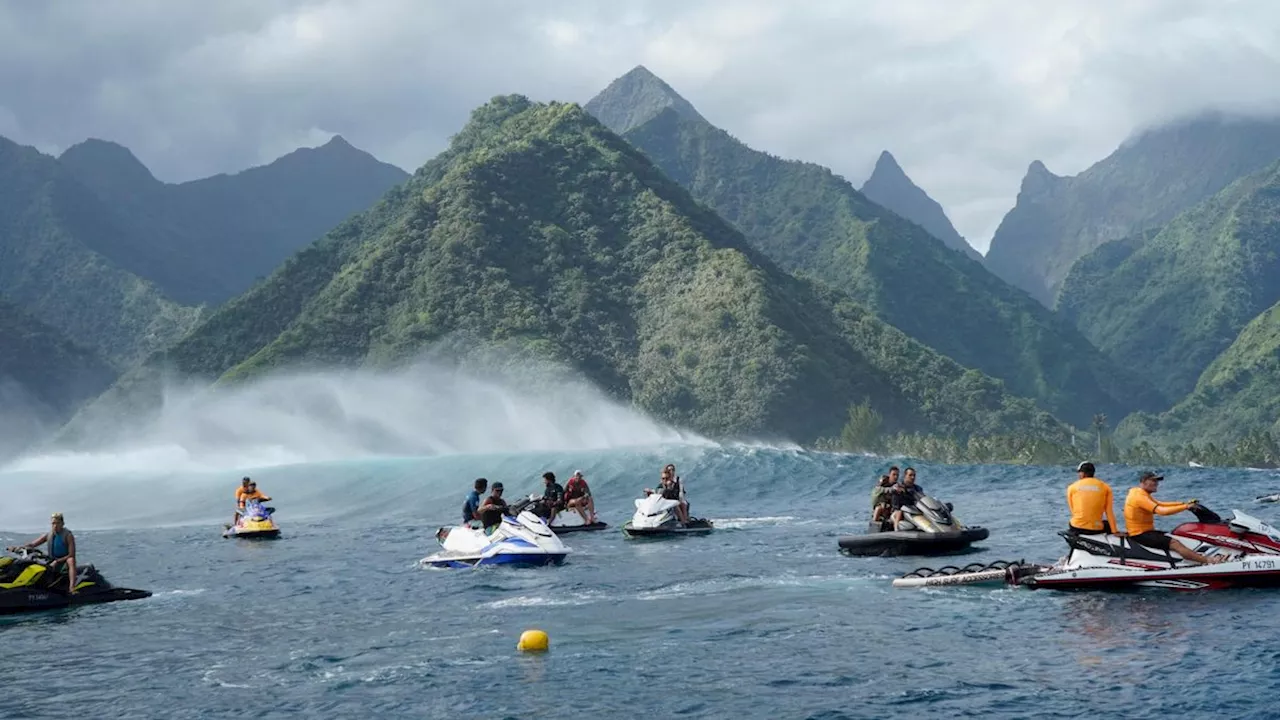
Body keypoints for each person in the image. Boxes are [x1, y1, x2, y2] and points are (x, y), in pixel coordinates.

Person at [1124, 471, 1224, 564]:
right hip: (1140, 534)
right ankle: (1208, 560)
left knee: (1177, 536)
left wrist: (1183, 504)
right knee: (1175, 543)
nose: (1157, 483)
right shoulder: (1139, 497)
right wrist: (1185, 507)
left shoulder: (1140, 493)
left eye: (1157, 481)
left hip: (1145, 531)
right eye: (1153, 480)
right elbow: (1161, 511)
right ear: (1144, 482)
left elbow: (1160, 504)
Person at [10, 512, 77, 594]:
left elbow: (71, 554)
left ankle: (72, 587)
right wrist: (18, 548)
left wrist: (57, 561)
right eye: (53, 523)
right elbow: (32, 545)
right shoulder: (49, 535)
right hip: (52, 560)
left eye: (58, 523)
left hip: (64, 562)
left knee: (71, 560)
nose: (55, 526)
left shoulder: (68, 535)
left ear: (62, 523)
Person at [1066, 461, 1124, 535]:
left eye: (1079, 472)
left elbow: (1073, 511)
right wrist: (1115, 531)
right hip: (1096, 528)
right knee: (1107, 524)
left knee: (1073, 521)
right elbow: (1109, 512)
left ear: (1083, 474)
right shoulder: (1105, 487)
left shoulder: (1071, 487)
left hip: (1077, 527)